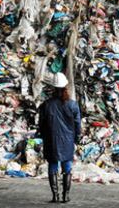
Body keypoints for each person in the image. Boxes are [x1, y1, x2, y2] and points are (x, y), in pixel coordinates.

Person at [38, 72, 81, 203]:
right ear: (65, 87)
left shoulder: (46, 105)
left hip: (51, 139)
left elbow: (41, 124)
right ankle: (65, 195)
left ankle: (55, 195)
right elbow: (77, 123)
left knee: (52, 166)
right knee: (67, 166)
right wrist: (76, 138)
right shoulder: (73, 105)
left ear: (53, 88)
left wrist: (45, 136)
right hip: (67, 140)